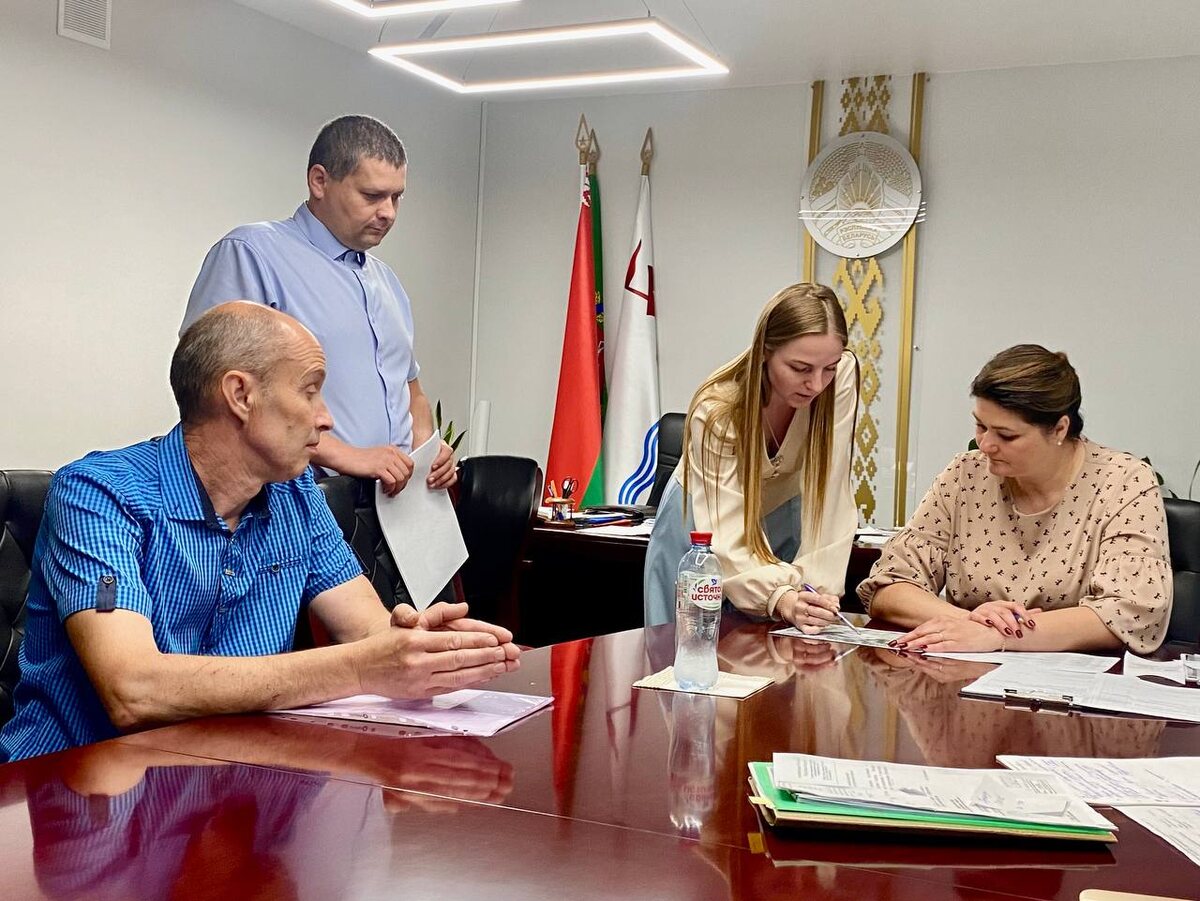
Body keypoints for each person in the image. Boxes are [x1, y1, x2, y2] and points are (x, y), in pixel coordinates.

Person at [0, 303, 519, 763]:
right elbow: (133, 690)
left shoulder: (296, 495)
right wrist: (363, 668)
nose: (326, 419)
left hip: (229, 785)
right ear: (240, 395)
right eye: (310, 391)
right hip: (72, 797)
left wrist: (421, 647)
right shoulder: (98, 494)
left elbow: (368, 631)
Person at [181, 114, 453, 497]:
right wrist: (346, 456)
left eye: (396, 198)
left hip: (397, 506)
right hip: (302, 497)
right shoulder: (252, 254)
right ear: (320, 181)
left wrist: (428, 450)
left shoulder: (388, 283)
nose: (388, 213)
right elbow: (210, 390)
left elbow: (411, 390)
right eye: (372, 196)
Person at [858, 344, 1172, 654]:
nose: (985, 445)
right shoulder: (965, 474)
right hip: (963, 669)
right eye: (980, 426)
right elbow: (889, 586)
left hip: (1069, 680)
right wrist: (969, 622)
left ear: (1059, 429)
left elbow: (1130, 612)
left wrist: (1004, 637)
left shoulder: (1124, 481)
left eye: (1006, 435)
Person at [643, 282, 859, 630]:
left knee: (777, 644)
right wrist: (780, 597)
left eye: (829, 368)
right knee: (686, 643)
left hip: (781, 512)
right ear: (764, 352)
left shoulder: (842, 377)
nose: (817, 384)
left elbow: (831, 492)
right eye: (800, 368)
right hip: (701, 528)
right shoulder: (717, 411)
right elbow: (725, 536)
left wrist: (816, 593)